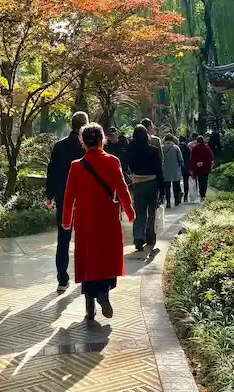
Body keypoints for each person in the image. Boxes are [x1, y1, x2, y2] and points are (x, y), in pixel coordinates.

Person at [62, 123, 135, 320]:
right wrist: (130, 212)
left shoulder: (76, 166)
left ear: (83, 142)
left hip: (86, 221)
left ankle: (89, 306)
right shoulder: (113, 162)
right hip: (108, 219)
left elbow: (69, 197)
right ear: (102, 140)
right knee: (106, 258)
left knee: (88, 259)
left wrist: (67, 221)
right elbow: (122, 189)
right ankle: (104, 293)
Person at [46, 111, 88, 293]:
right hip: (85, 199)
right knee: (84, 239)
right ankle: (85, 277)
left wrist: (50, 196)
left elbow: (52, 172)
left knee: (63, 239)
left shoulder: (59, 146)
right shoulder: (88, 148)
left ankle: (62, 279)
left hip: (64, 199)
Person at [127, 124, 164, 250]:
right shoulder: (154, 151)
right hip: (152, 183)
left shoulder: (130, 150)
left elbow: (126, 165)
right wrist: (162, 190)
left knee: (139, 212)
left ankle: (138, 236)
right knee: (151, 211)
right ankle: (149, 236)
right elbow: (159, 171)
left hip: (137, 183)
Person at [189, 135, 215, 201]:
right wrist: (205, 163)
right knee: (205, 181)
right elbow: (211, 158)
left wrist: (192, 168)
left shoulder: (194, 149)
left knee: (200, 181)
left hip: (197, 168)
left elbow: (192, 159)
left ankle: (201, 194)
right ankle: (203, 194)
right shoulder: (207, 148)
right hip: (205, 168)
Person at [162, 132, 184, 207]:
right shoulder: (176, 147)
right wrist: (181, 166)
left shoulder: (161, 147)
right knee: (176, 186)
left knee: (167, 187)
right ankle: (177, 200)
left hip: (165, 170)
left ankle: (168, 202)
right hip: (175, 170)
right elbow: (180, 159)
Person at [178, 135, 191, 202]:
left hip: (179, 167)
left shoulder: (178, 148)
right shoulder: (187, 148)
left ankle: (179, 192)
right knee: (186, 181)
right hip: (186, 166)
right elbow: (190, 158)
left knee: (177, 181)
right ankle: (186, 196)